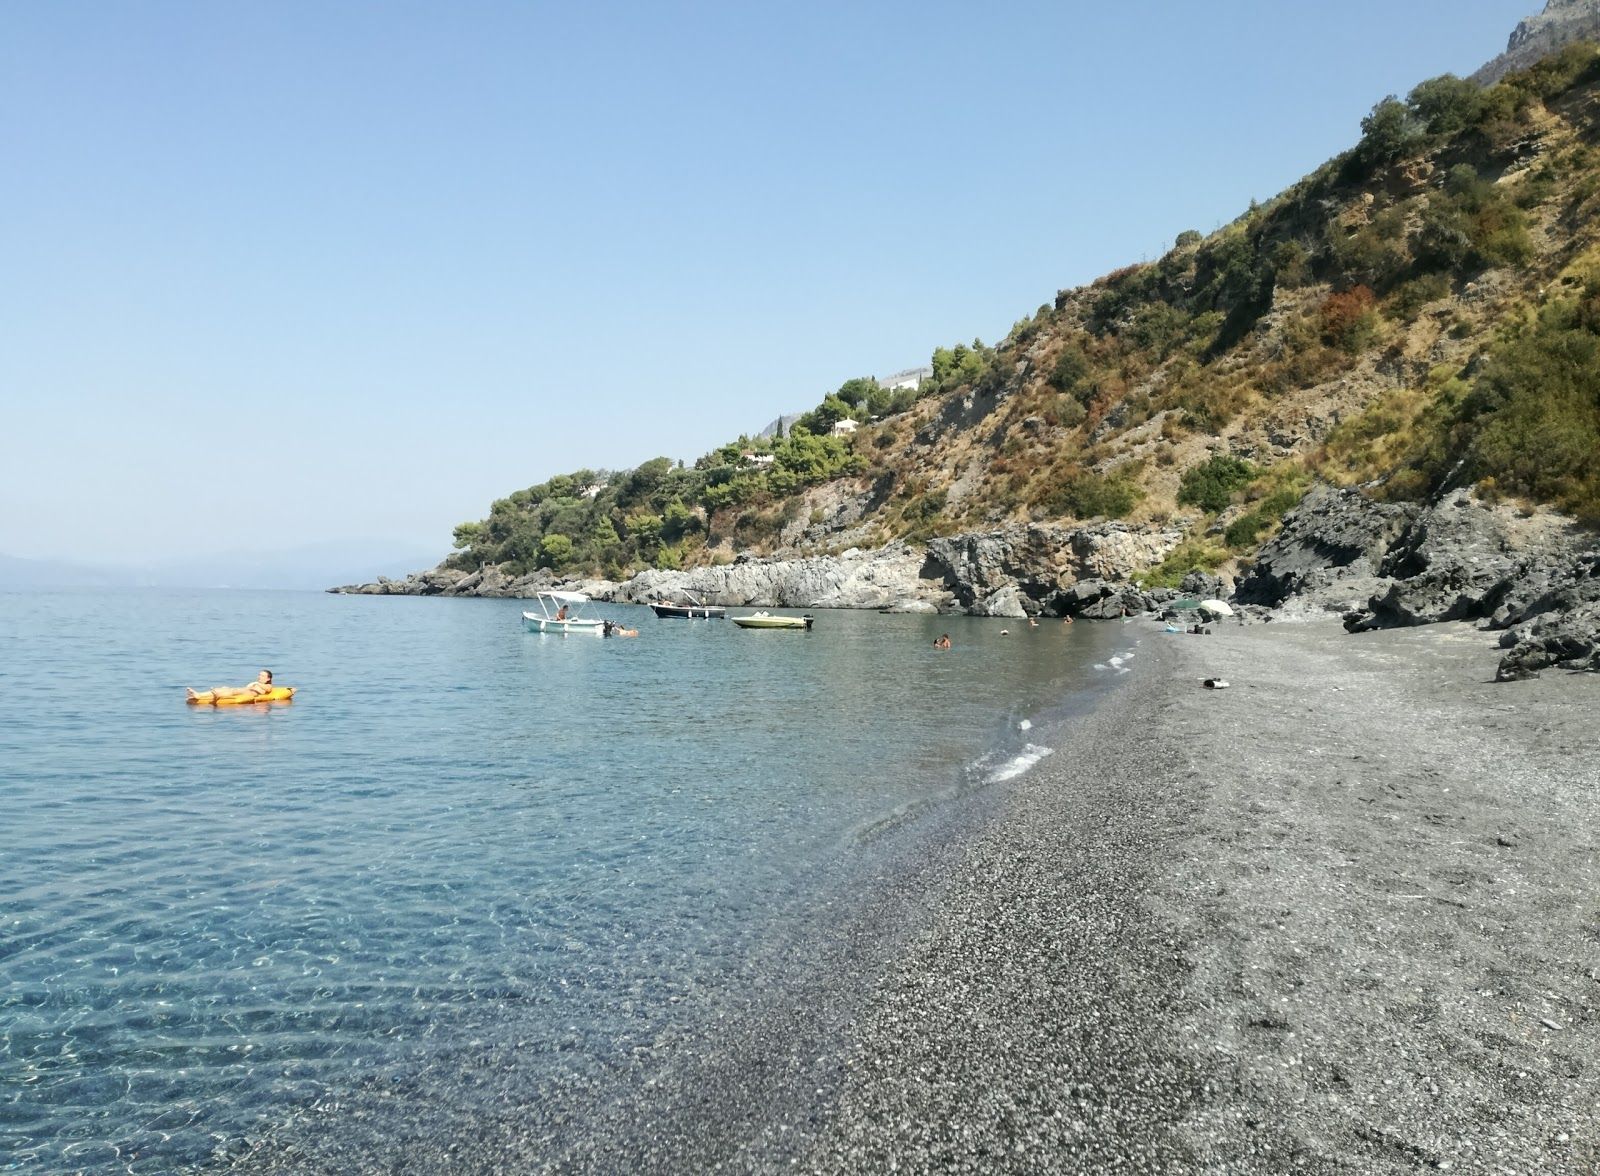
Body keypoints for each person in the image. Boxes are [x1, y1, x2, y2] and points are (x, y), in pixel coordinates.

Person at [187, 669, 274, 702]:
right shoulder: (255, 683)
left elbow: (268, 689)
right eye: (259, 675)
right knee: (224, 688)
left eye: (262, 675)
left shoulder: (267, 685)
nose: (259, 676)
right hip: (242, 690)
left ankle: (217, 695)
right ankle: (199, 695)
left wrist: (257, 684)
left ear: (268, 679)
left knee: (230, 692)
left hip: (249, 693)